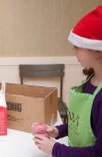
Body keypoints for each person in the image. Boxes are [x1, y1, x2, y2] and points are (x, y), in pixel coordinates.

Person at [32, 5, 102, 157]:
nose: (73, 50)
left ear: (97, 50)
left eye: (77, 46)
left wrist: (55, 149)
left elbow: (99, 152)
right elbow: (81, 125)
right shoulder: (91, 80)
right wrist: (57, 131)